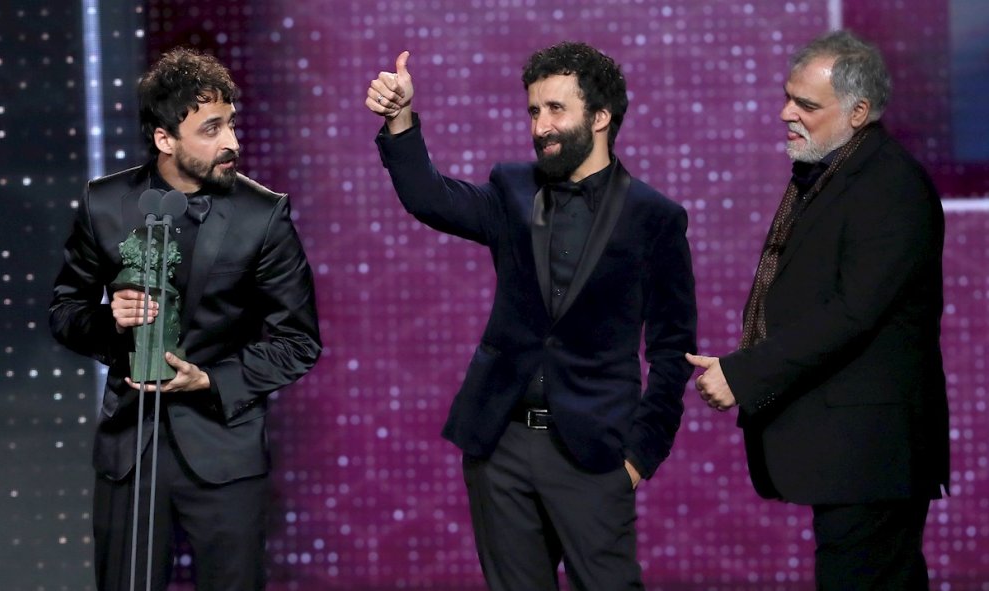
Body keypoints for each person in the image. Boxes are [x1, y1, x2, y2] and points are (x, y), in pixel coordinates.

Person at [366, 42, 696, 590]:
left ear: (601, 117)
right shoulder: (512, 190)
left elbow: (671, 350)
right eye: (534, 111)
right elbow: (430, 197)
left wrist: (639, 458)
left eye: (556, 110)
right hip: (501, 445)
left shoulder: (655, 218)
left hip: (594, 453)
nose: (541, 126)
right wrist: (400, 120)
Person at [49, 48, 322, 590]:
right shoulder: (105, 204)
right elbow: (66, 311)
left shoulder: (262, 215)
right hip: (131, 450)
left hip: (224, 451)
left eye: (232, 125)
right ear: (164, 139)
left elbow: (298, 342)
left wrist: (210, 380)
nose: (233, 144)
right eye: (211, 129)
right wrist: (112, 321)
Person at [687, 30, 948, 589]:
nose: (786, 113)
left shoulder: (888, 186)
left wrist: (744, 371)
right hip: (851, 455)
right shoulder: (833, 174)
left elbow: (853, 312)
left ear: (858, 112)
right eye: (788, 97)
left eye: (806, 104)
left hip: (871, 454)